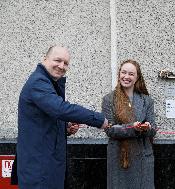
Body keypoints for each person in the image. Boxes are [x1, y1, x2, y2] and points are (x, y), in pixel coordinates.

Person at [16, 45, 108, 189]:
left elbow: (45, 119)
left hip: (47, 167)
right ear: (45, 59)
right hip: (39, 170)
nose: (61, 66)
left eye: (66, 63)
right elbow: (60, 109)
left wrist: (65, 128)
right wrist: (99, 120)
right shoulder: (38, 82)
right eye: (57, 60)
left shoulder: (49, 83)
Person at [102, 59, 156, 189]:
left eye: (131, 74)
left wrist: (147, 127)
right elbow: (109, 129)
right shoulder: (109, 99)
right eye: (123, 72)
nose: (126, 77)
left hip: (142, 156)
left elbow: (153, 129)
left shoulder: (146, 100)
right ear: (119, 74)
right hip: (119, 156)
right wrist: (133, 128)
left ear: (137, 78)